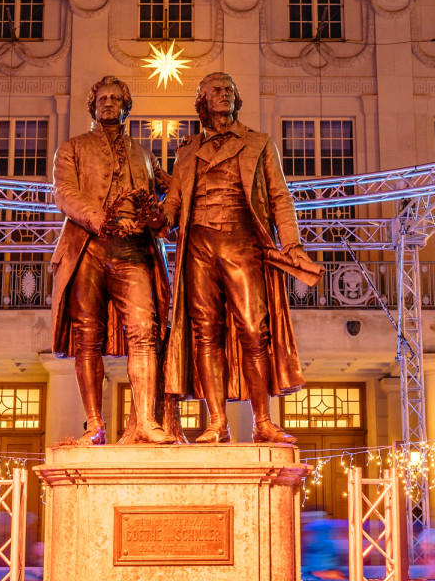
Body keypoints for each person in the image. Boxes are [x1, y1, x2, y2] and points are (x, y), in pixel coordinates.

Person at [158, 71, 320, 445]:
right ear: (202, 101)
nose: (224, 94)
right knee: (205, 333)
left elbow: (281, 198)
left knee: (253, 330)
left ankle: (262, 421)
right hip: (198, 245)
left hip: (242, 242)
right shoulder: (187, 151)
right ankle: (217, 423)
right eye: (216, 90)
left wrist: (292, 244)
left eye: (229, 89)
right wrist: (159, 220)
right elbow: (174, 205)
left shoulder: (259, 143)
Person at [48, 75, 174, 446]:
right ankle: (94, 423)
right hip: (88, 247)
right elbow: (65, 193)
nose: (108, 103)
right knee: (88, 337)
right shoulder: (71, 148)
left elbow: (176, 190)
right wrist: (98, 217)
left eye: (115, 98)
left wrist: (159, 214)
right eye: (102, 98)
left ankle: (147, 420)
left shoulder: (144, 154)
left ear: (126, 106)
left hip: (133, 249)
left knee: (144, 331)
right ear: (93, 105)